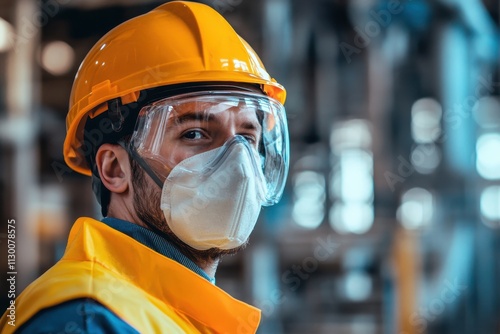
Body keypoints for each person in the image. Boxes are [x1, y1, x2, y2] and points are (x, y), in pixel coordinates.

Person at [0, 1, 289, 333]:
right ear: (114, 169)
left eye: (248, 137)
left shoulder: (166, 312)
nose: (238, 163)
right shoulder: (88, 321)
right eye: (195, 134)